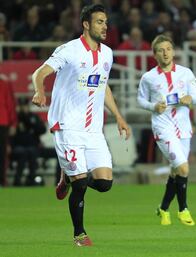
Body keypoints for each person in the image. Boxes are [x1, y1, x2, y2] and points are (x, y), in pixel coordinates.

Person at [32, 4, 131, 246]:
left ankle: (66, 177)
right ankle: (79, 234)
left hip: (93, 130)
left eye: (106, 22)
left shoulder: (107, 53)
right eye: (99, 22)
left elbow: (103, 86)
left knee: (105, 184)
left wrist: (118, 115)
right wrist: (40, 91)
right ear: (86, 24)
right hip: (67, 126)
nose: (105, 26)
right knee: (81, 183)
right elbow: (39, 73)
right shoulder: (69, 50)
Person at [137, 34, 196, 226]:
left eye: (168, 49)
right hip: (163, 127)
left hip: (183, 128)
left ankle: (163, 209)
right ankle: (183, 210)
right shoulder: (148, 77)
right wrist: (153, 107)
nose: (165, 53)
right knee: (183, 167)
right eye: (160, 50)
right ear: (154, 54)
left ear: (173, 51)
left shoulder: (186, 73)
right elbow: (140, 99)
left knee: (176, 171)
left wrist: (190, 99)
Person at [11, 97, 46, 186]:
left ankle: (31, 179)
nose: (23, 108)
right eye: (21, 106)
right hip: (18, 147)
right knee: (23, 153)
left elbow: (42, 130)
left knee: (31, 152)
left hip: (32, 146)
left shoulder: (33, 117)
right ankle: (17, 180)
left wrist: (32, 123)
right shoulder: (15, 118)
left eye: (25, 106)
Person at [0, 79, 17, 186]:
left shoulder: (5, 83)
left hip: (2, 122)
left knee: (2, 153)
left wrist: (13, 123)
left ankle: (2, 180)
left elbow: (10, 104)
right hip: (3, 120)